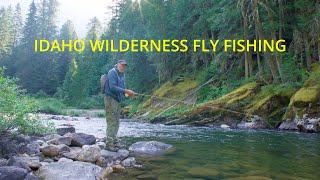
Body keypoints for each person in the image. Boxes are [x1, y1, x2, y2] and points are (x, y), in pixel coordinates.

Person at [104, 59, 135, 151]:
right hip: (110, 99)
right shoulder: (112, 72)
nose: (123, 67)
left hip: (117, 100)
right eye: (122, 65)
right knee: (111, 121)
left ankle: (114, 140)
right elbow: (113, 87)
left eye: (124, 65)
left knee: (117, 121)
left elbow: (122, 89)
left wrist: (129, 94)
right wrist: (126, 91)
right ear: (118, 64)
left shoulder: (122, 75)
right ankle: (109, 144)